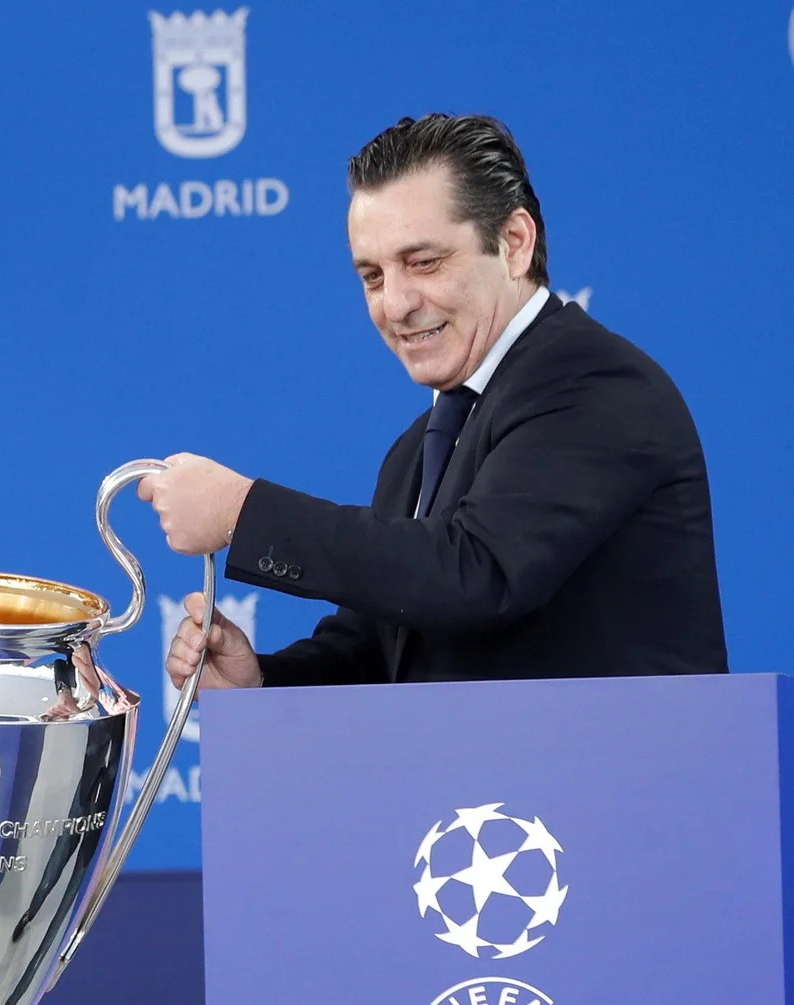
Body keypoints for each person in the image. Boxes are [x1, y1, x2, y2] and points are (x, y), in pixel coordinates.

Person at [138, 114, 726, 690]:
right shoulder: (420, 448)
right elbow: (382, 650)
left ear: (514, 243)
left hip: (613, 784)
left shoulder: (596, 385)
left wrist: (242, 511)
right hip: (484, 785)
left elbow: (477, 574)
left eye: (423, 262)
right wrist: (261, 682)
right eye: (372, 276)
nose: (394, 304)